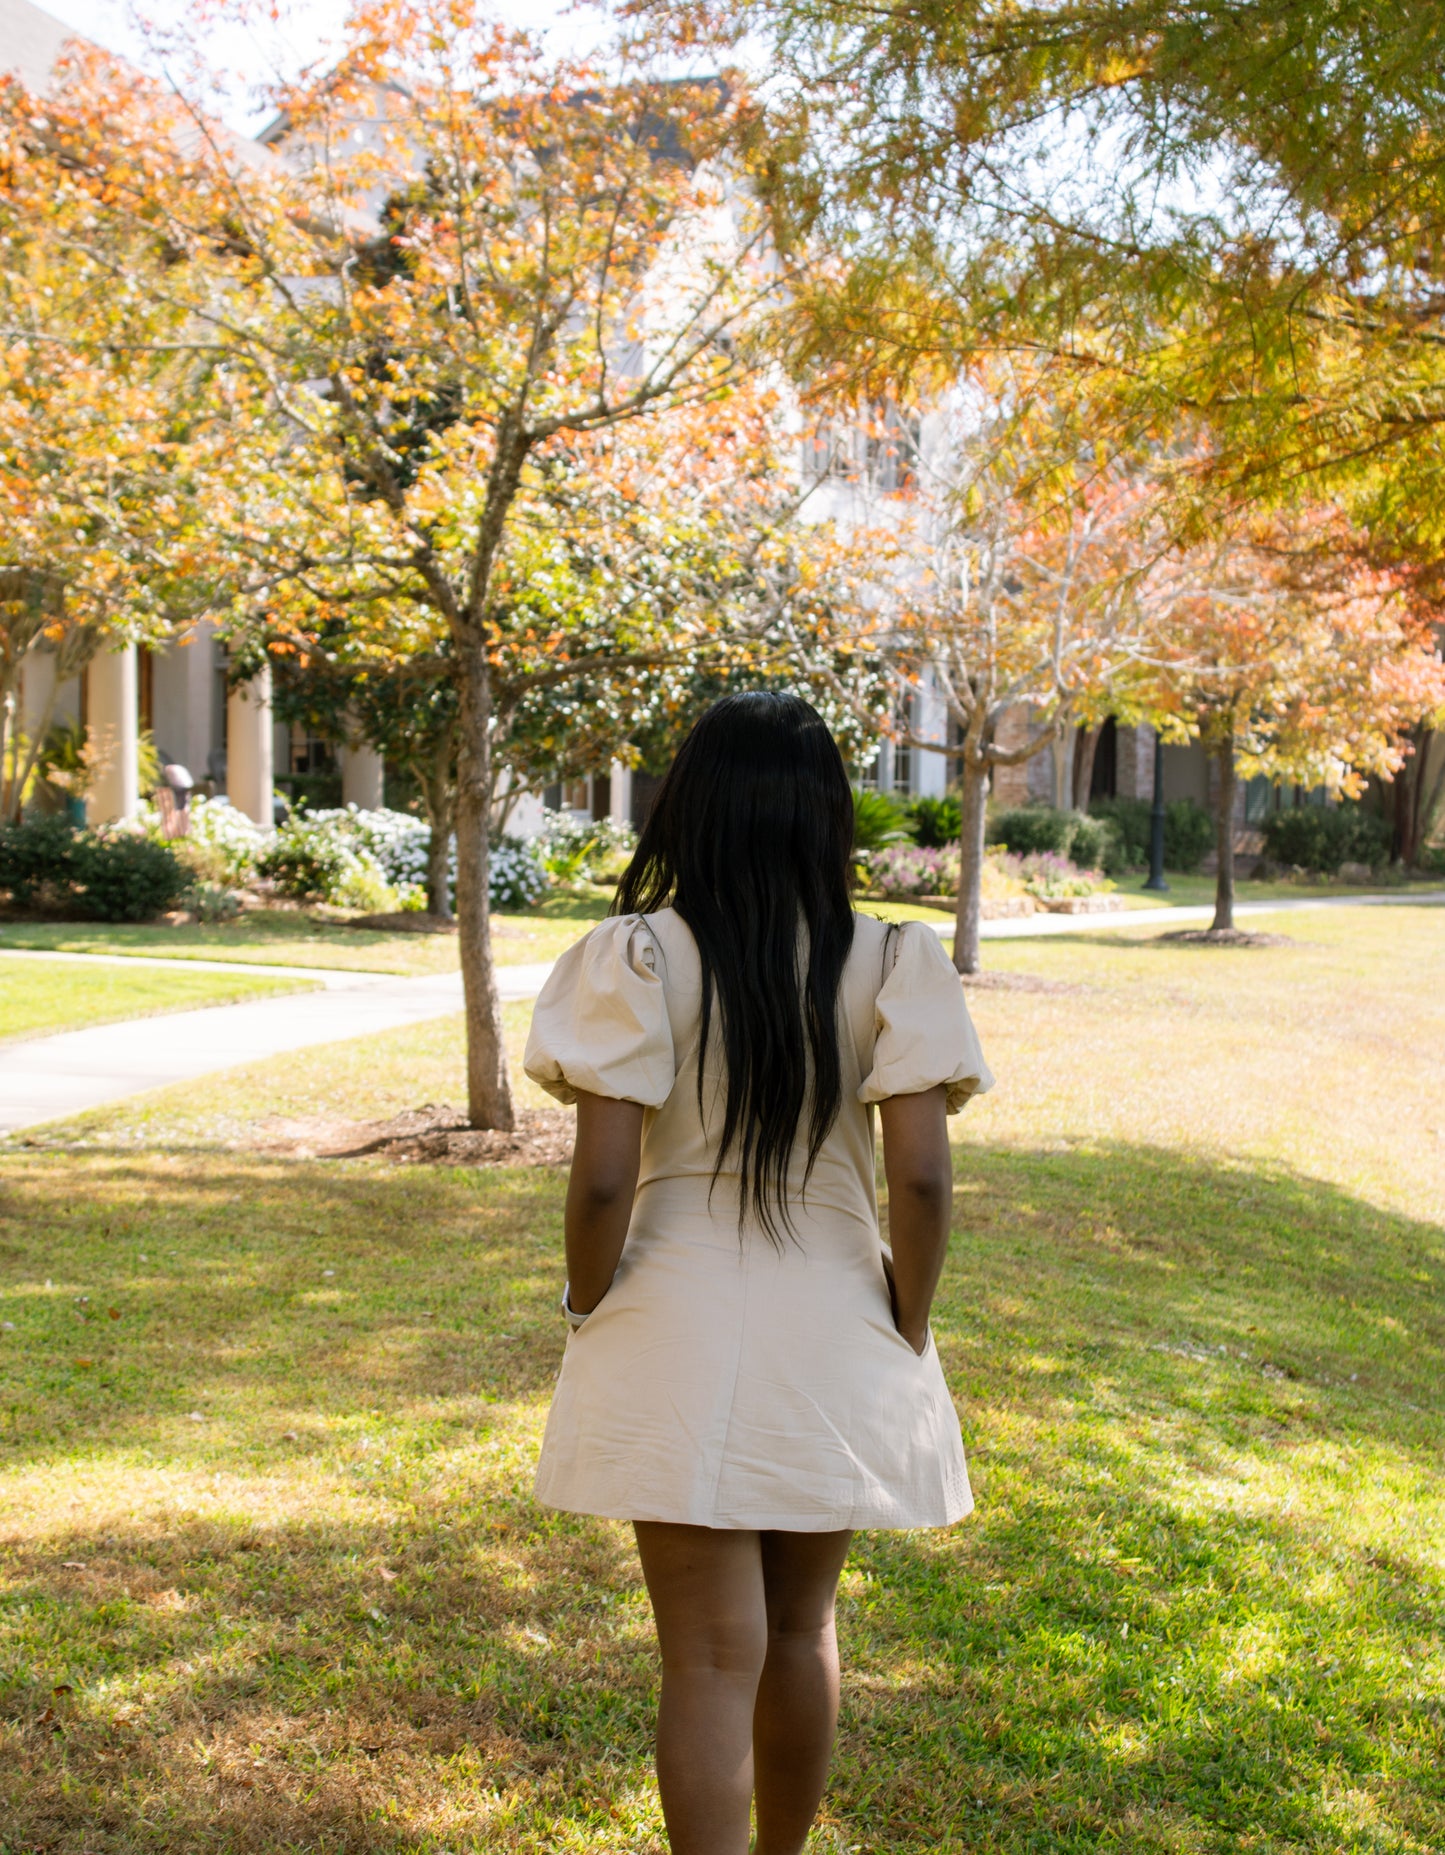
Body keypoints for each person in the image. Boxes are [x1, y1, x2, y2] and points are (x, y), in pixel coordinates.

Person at [524, 692, 993, 1855]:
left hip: (668, 1313)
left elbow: (599, 1184)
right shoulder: (892, 957)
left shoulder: (636, 954)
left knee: (705, 1653)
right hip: (837, 1306)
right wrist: (908, 1317)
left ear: (691, 807)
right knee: (797, 1631)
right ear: (825, 814)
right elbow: (923, 1182)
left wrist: (586, 1301)